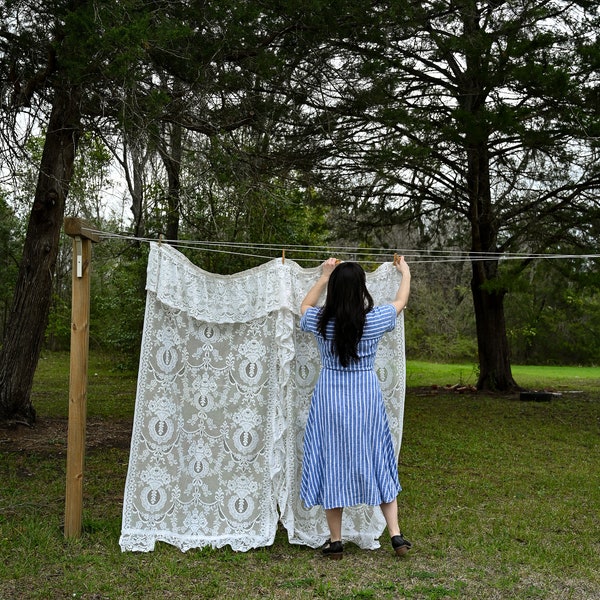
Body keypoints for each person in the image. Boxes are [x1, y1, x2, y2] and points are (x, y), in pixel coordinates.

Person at [299, 255, 412, 560]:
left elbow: (303, 308)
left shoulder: (321, 321)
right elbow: (401, 300)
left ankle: (336, 542)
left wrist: (323, 276)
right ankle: (396, 534)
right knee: (378, 455)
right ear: (362, 289)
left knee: (333, 461)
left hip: (330, 399)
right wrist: (405, 271)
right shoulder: (373, 320)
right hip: (366, 398)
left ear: (335, 291)